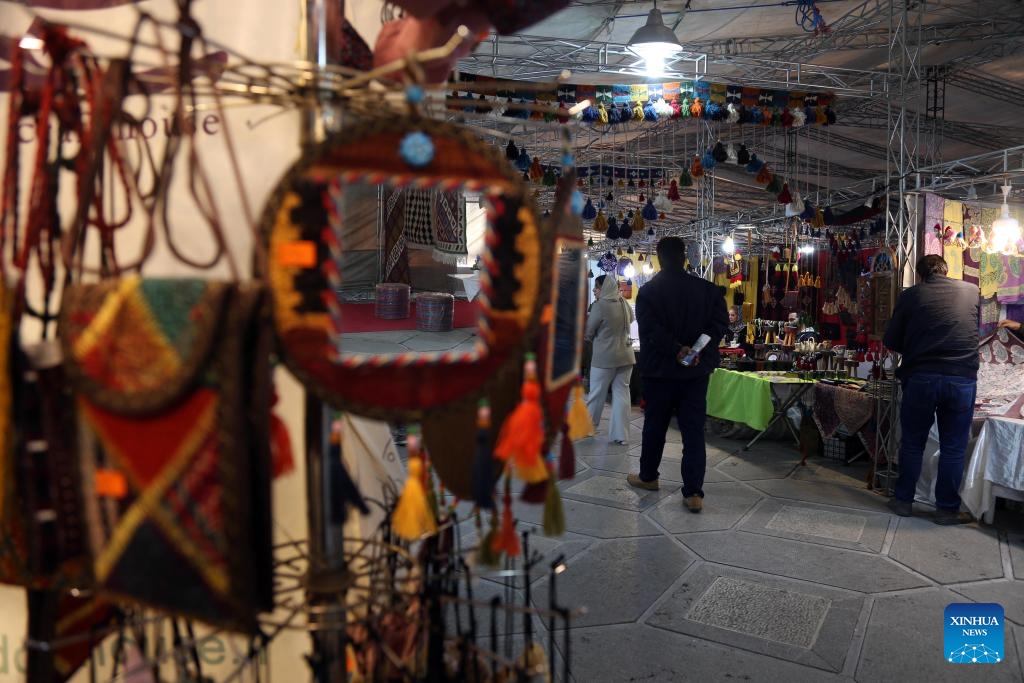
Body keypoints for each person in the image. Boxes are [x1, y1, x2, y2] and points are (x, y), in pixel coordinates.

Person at [627, 236, 729, 513]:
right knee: (693, 432)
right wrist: (694, 349)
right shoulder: (709, 291)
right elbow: (719, 326)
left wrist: (675, 349)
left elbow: (650, 330)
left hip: (659, 372)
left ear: (660, 257)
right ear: (685, 257)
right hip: (695, 374)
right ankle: (693, 493)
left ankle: (648, 477)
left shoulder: (648, 292)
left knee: (655, 427)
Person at [882, 254, 978, 525]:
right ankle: (946, 509)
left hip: (922, 375)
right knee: (954, 447)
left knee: (913, 442)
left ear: (921, 275)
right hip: (962, 377)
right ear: (947, 271)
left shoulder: (912, 295)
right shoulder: (972, 291)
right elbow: (973, 331)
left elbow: (891, 339)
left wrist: (918, 345)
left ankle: (903, 501)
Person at [584, 275, 636, 445]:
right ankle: (621, 436)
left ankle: (588, 428)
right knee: (622, 395)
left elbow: (589, 332)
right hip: (626, 357)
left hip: (604, 358)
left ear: (604, 289)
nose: (594, 290)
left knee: (597, 394)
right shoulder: (623, 303)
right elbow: (631, 320)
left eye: (597, 287)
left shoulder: (600, 306)